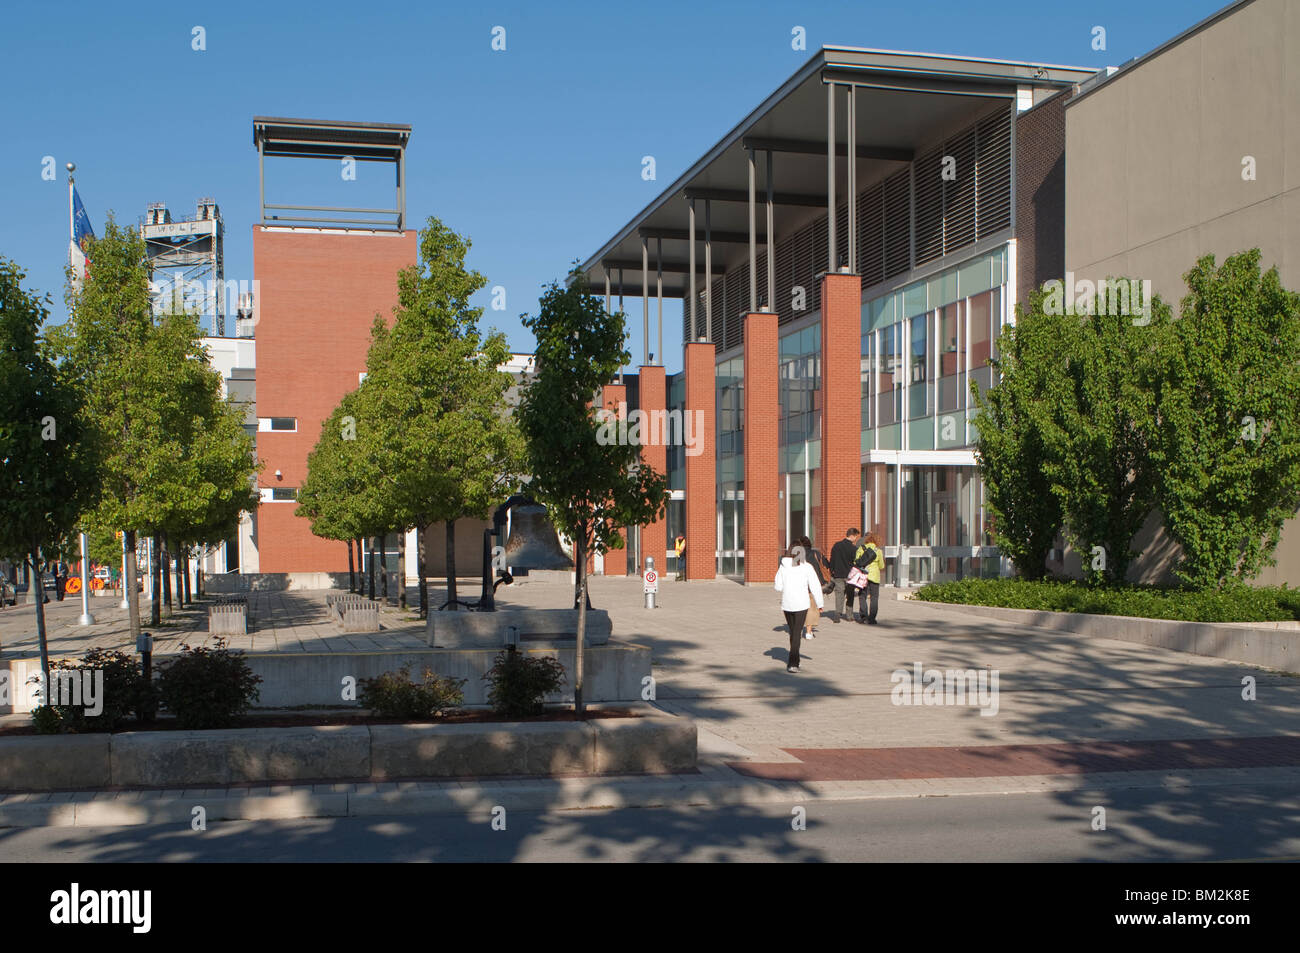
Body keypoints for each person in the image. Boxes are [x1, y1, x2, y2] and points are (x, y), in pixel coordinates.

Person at [774, 545, 824, 673]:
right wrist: (819, 604)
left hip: (787, 604)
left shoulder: (783, 567)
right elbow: (815, 586)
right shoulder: (807, 567)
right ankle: (793, 663)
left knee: (793, 632)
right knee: (796, 633)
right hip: (801, 604)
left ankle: (795, 659)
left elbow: (778, 586)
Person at [797, 535, 829, 638]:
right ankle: (809, 631)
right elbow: (826, 564)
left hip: (800, 585)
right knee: (811, 608)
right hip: (814, 584)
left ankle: (798, 627)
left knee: (800, 608)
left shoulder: (796, 555)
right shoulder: (816, 553)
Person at [828, 528, 861, 623]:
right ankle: (849, 615)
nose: (856, 539)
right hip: (850, 575)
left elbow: (832, 559)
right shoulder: (853, 548)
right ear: (852, 535)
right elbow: (855, 562)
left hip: (838, 574)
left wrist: (832, 570)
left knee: (839, 594)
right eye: (856, 537)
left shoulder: (836, 546)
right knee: (850, 595)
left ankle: (837, 615)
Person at [854, 533, 886, 625]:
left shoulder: (861, 548)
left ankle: (863, 617)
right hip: (874, 576)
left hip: (863, 575)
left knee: (862, 596)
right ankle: (872, 618)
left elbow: (856, 561)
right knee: (874, 597)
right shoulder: (878, 551)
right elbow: (881, 565)